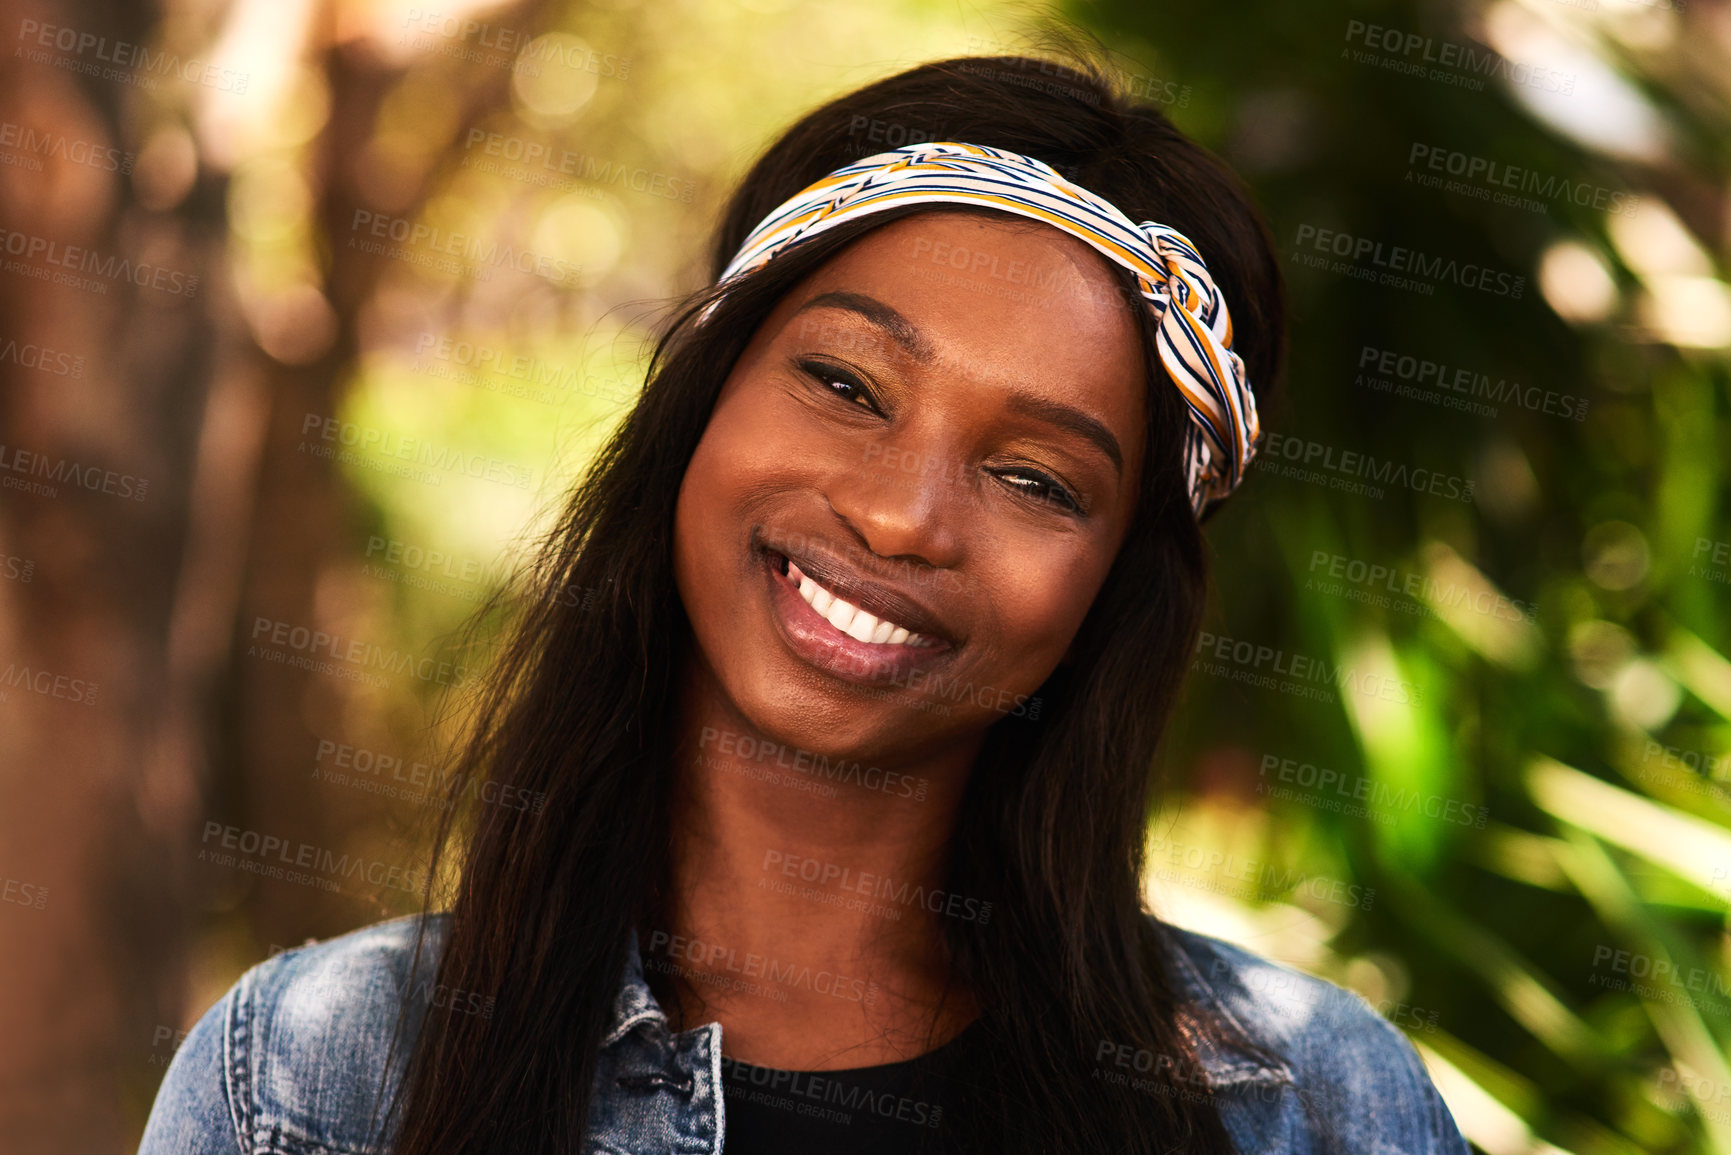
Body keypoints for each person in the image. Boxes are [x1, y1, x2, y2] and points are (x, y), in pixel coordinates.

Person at [140, 50, 1470, 1155]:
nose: (902, 515)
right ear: (702, 397)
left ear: (1115, 587)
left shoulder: (1315, 1108)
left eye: (1035, 478)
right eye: (845, 387)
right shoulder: (310, 1085)